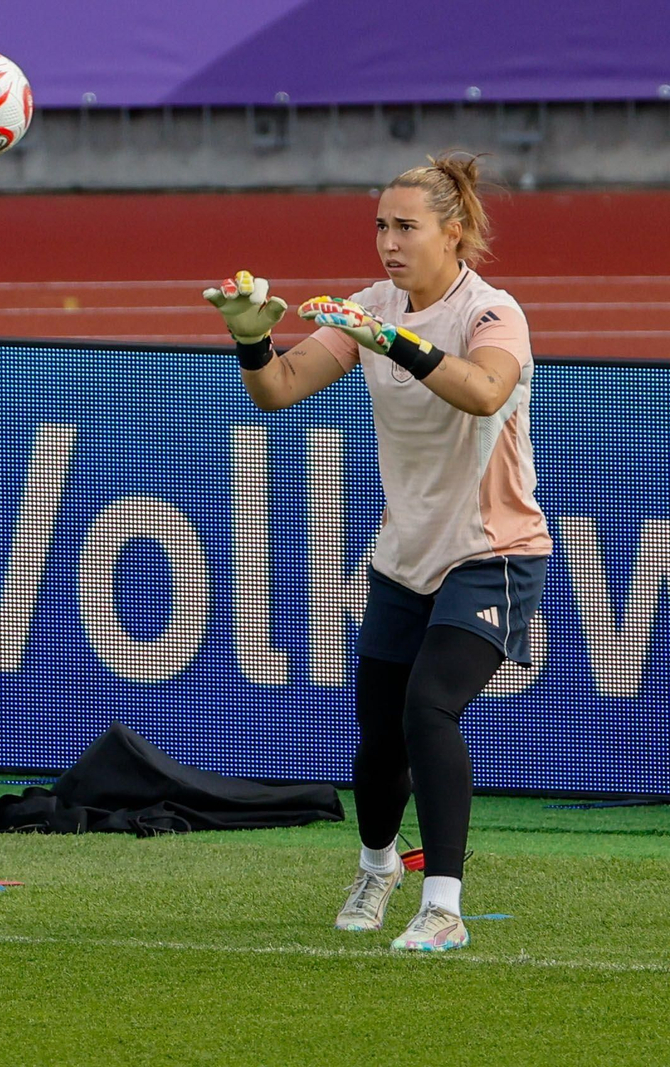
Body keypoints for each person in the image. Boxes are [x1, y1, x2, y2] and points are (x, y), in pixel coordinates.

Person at [203, 152, 549, 952]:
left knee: (430, 708)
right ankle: (376, 865)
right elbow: (281, 387)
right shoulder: (367, 307)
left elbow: (486, 390)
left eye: (406, 227)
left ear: (453, 233)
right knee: (378, 737)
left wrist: (392, 340)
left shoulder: (491, 312)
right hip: (403, 556)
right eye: (380, 227)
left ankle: (445, 906)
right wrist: (252, 342)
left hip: (494, 550)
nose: (389, 242)